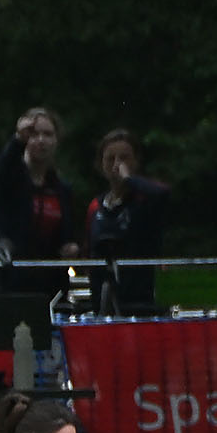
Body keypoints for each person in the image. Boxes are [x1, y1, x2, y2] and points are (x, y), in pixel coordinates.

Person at [0, 107, 83, 273]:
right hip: (14, 272)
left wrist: (72, 247)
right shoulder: (11, 178)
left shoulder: (62, 189)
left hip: (51, 275)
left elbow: (68, 234)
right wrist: (17, 139)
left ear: (56, 140)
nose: (41, 140)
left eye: (48, 134)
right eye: (33, 134)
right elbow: (3, 167)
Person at [88, 132, 173, 313]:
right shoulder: (96, 206)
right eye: (110, 158)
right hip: (105, 295)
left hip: (143, 296)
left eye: (124, 158)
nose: (116, 164)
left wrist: (129, 179)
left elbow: (162, 194)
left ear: (135, 161)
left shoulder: (145, 199)